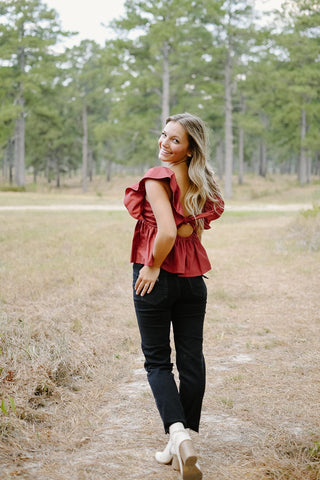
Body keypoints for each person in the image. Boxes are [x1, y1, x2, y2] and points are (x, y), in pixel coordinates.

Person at [124, 112, 224, 480]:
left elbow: (165, 232)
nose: (164, 143)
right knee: (191, 358)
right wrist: (185, 227)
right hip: (193, 280)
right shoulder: (202, 182)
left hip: (158, 275)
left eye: (174, 140)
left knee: (156, 361)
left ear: (189, 148)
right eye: (164, 136)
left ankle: (178, 433)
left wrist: (151, 265)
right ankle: (184, 441)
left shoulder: (157, 176)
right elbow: (187, 227)